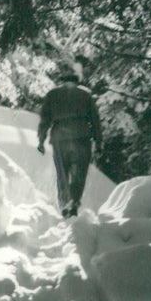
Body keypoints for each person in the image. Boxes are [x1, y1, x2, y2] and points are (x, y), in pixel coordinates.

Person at [37, 68, 103, 218]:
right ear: (76, 81)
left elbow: (44, 120)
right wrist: (99, 143)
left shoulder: (52, 95)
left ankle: (65, 203)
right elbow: (95, 120)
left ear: (62, 80)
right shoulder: (85, 94)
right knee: (79, 173)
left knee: (62, 174)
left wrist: (41, 140)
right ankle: (74, 202)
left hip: (59, 138)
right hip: (81, 137)